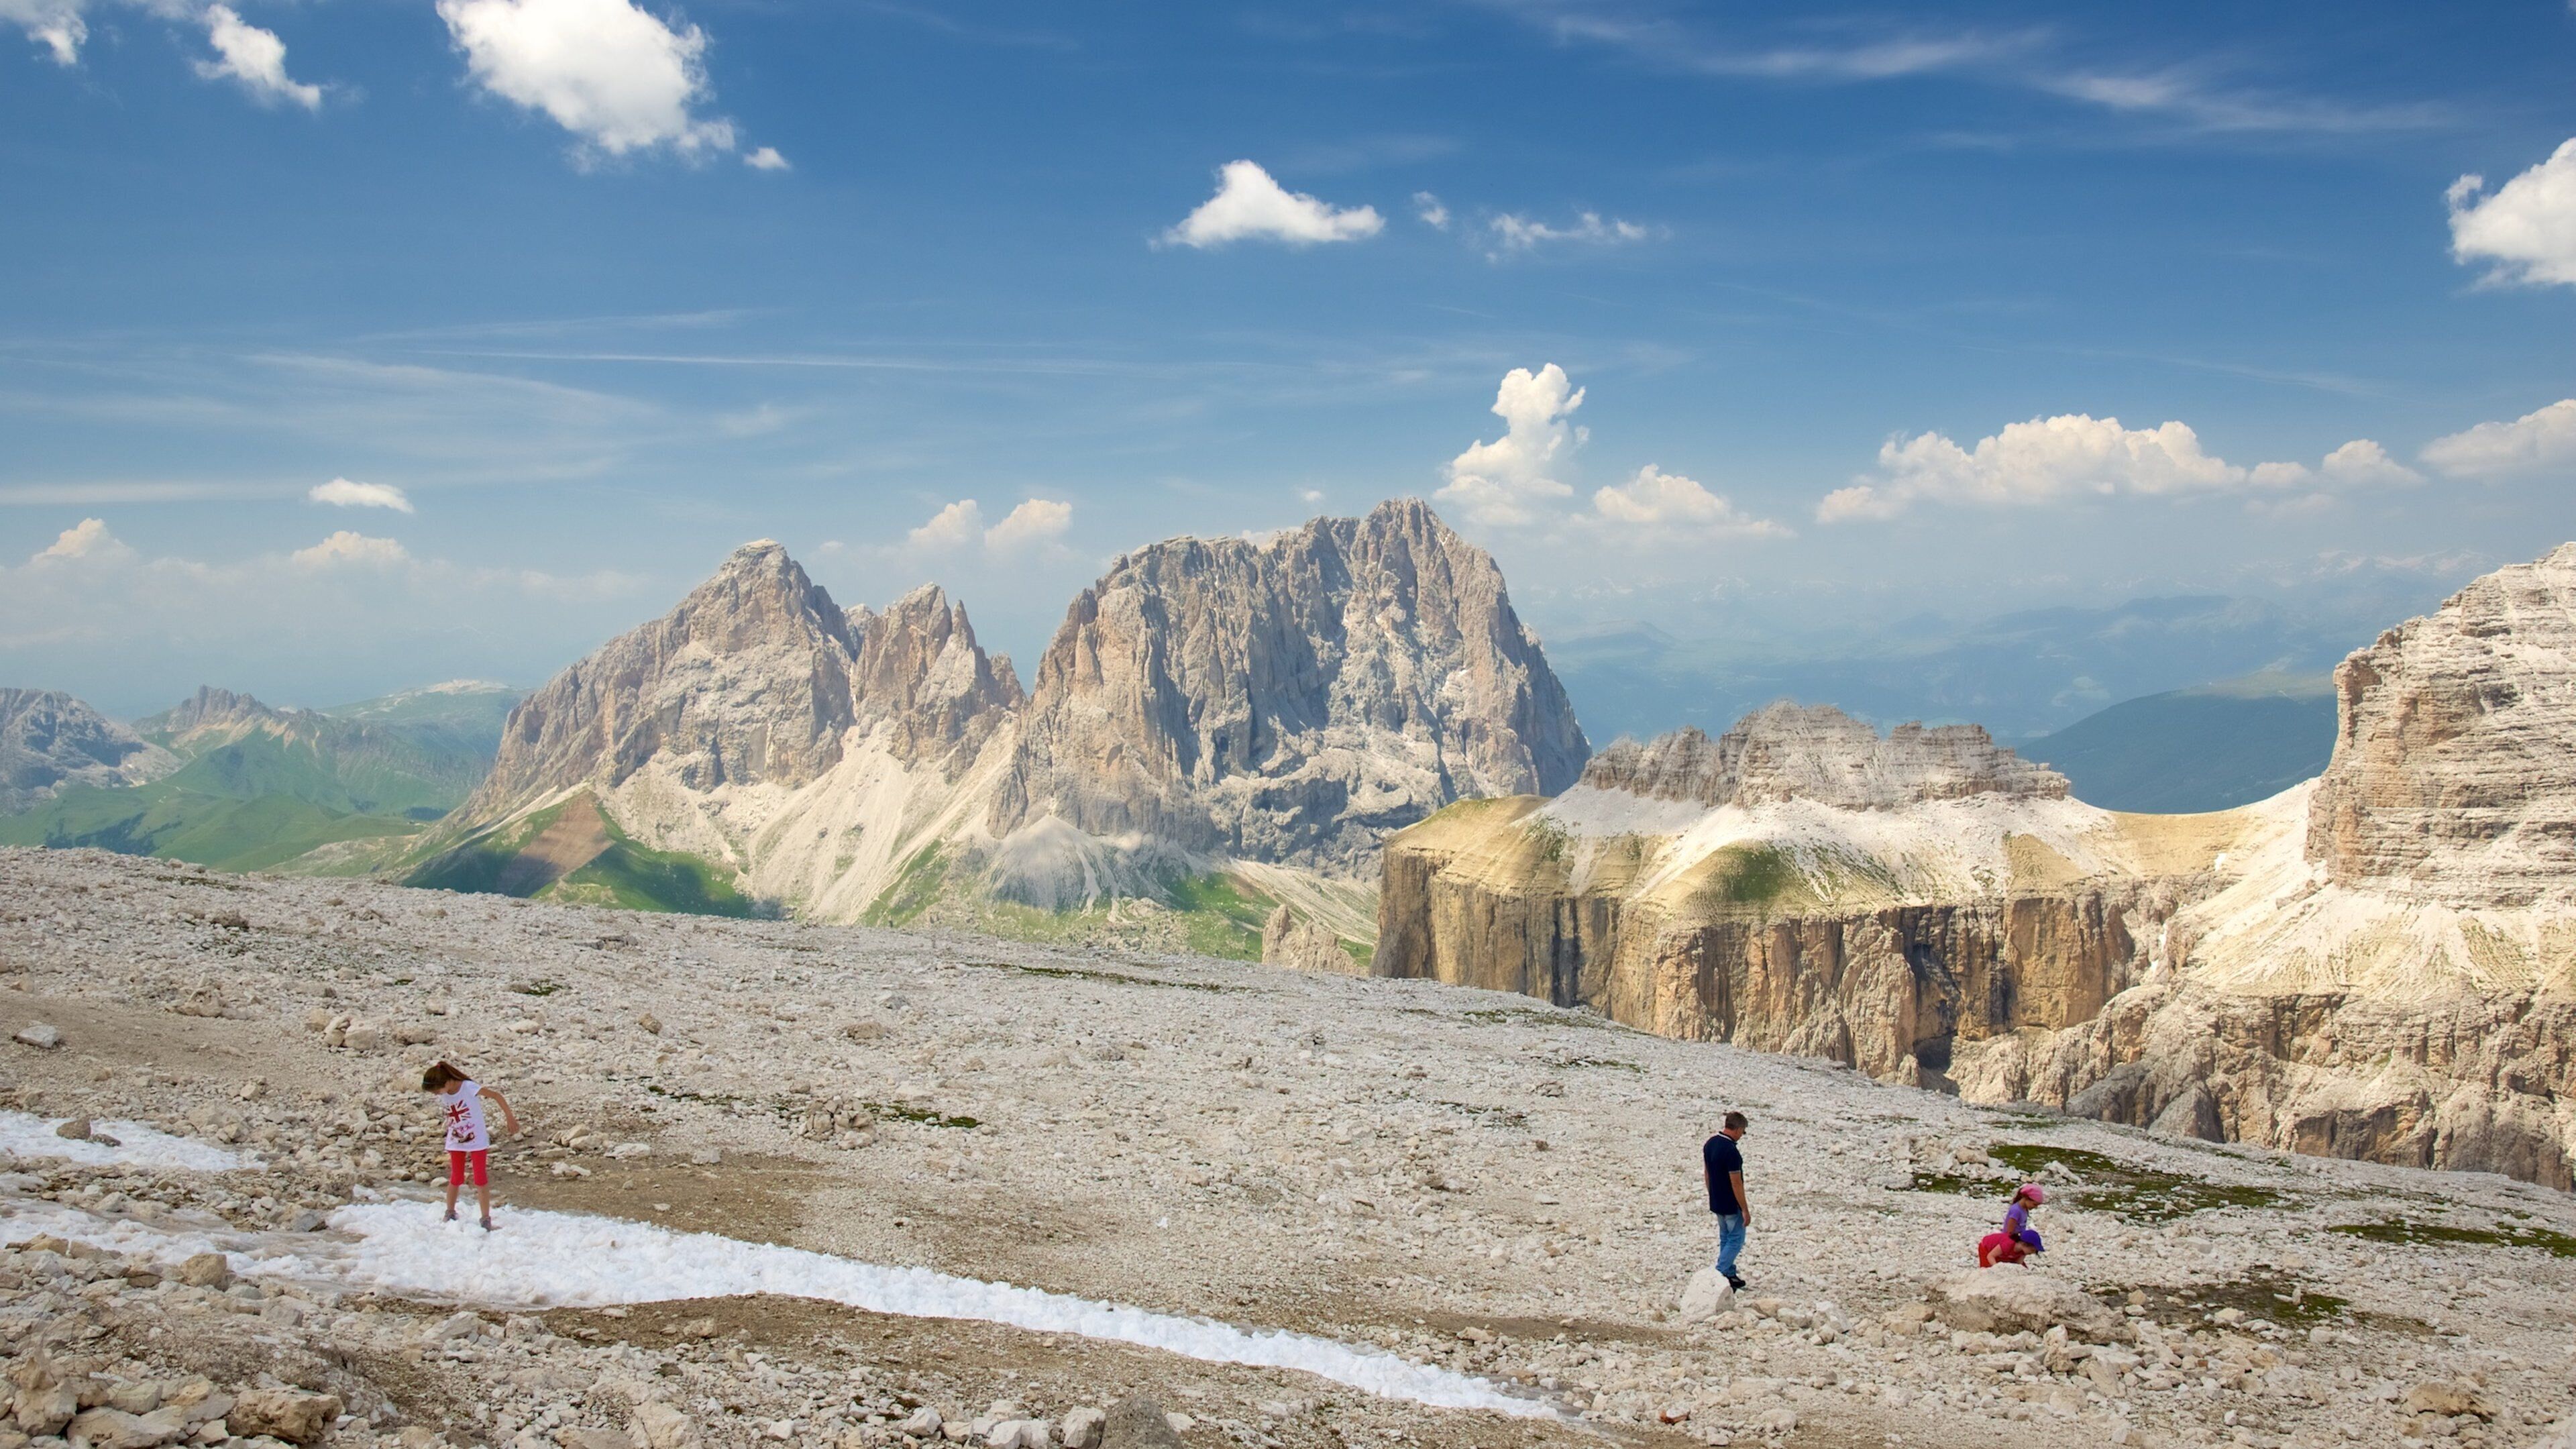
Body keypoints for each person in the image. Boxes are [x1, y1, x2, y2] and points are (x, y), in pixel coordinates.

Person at [422, 1061, 519, 1231]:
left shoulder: (468, 1087)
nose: (437, 1095)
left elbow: (496, 1096)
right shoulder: (444, 1094)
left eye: (437, 1091)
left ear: (447, 1082)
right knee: (456, 1177)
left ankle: (485, 1219)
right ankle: (450, 1212)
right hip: (456, 1140)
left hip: (477, 1140)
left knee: (480, 1179)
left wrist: (509, 1117)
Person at [1702, 1111, 1751, 1289]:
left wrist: (1711, 1193)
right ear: (1738, 1129)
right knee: (1736, 1239)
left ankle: (1730, 1273)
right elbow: (1736, 1183)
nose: (1741, 1136)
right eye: (1743, 1132)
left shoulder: (1711, 1143)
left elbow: (1707, 1173)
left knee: (1725, 1237)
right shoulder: (1731, 1151)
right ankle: (1720, 1273)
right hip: (1731, 1203)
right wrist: (1745, 1209)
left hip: (1716, 1199)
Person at [1977, 1183, 2047, 1267]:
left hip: (2017, 1241)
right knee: (1990, 1266)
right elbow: (2009, 1231)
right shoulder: (2016, 1211)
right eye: (2034, 1204)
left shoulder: (2024, 1210)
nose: (2035, 1207)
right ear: (2026, 1199)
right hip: (2005, 1242)